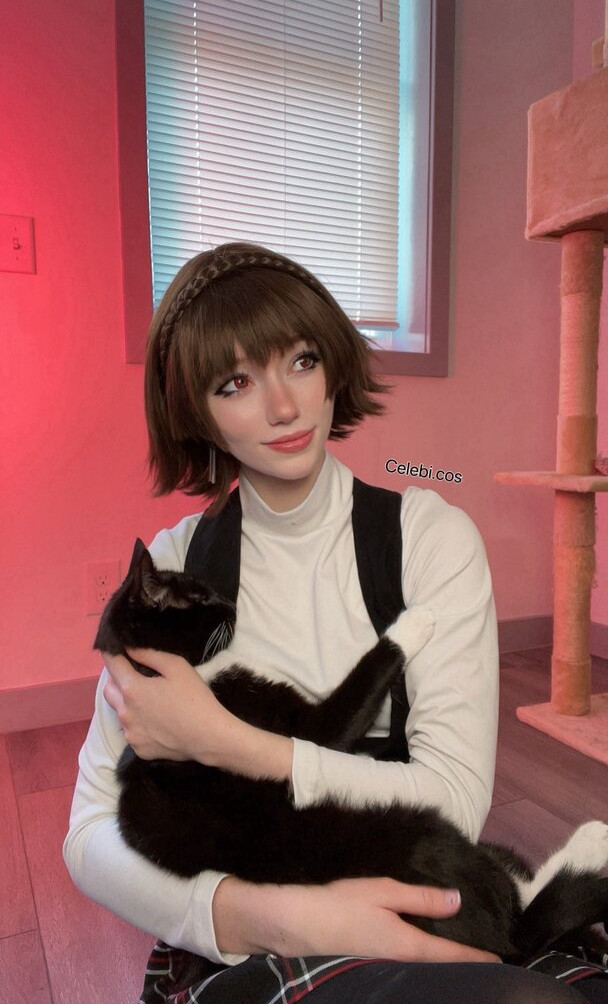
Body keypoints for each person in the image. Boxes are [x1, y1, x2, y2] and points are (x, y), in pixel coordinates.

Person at [64, 242, 592, 1003]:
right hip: (251, 928)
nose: (284, 407)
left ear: (333, 367)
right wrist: (279, 919)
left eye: (302, 360)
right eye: (236, 383)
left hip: (412, 887)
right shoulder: (176, 571)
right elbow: (89, 834)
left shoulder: (429, 540)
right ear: (195, 412)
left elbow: (451, 798)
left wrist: (229, 743)